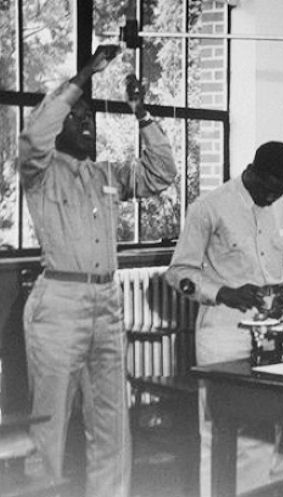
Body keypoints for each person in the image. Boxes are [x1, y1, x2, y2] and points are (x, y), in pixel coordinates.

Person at [19, 45, 178, 497]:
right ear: (60, 124)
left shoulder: (104, 174)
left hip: (107, 304)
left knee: (112, 421)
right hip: (60, 303)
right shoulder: (40, 173)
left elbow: (161, 173)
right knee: (47, 422)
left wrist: (141, 114)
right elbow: (33, 137)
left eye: (91, 117)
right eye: (78, 116)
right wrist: (84, 76)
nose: (88, 123)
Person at [165, 141, 283, 496]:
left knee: (267, 428)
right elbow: (179, 272)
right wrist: (225, 292)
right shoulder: (211, 207)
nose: (270, 198)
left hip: (272, 332)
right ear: (252, 171)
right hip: (223, 330)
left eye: (280, 191)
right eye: (267, 188)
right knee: (219, 428)